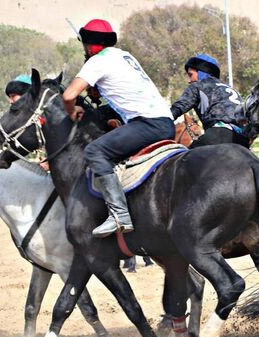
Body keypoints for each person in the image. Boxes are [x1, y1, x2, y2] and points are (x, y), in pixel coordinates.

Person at [62, 19, 175, 238]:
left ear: (91, 46)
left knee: (95, 151)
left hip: (147, 124)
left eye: (85, 45)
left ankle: (119, 215)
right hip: (166, 123)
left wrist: (71, 111)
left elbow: (68, 95)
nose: (85, 50)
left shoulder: (97, 62)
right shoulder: (124, 56)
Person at [170, 54, 250, 148]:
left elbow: (179, 107)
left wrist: (162, 122)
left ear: (201, 72)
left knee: (183, 160)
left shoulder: (198, 85)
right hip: (244, 139)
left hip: (218, 134)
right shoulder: (229, 87)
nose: (189, 80)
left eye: (190, 75)